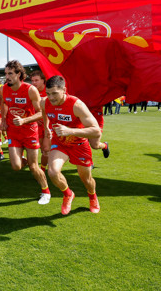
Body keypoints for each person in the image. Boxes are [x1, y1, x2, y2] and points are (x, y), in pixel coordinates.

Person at [41, 76, 102, 215]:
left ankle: (92, 196)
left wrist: (70, 131)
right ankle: (68, 194)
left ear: (64, 90)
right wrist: (46, 128)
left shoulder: (76, 105)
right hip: (60, 143)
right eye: (48, 93)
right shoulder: (44, 102)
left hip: (79, 145)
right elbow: (44, 112)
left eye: (54, 93)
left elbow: (96, 130)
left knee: (86, 179)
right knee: (53, 172)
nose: (51, 97)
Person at [0, 60, 51, 204]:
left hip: (29, 132)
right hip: (13, 131)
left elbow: (41, 113)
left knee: (34, 167)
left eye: (10, 73)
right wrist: (3, 119)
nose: (7, 76)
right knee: (16, 166)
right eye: (6, 74)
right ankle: (29, 161)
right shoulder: (4, 89)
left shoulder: (30, 90)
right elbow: (3, 103)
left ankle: (45, 191)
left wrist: (24, 120)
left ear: (19, 74)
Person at [30, 70, 49, 172]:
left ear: (43, 80)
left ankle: (43, 169)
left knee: (46, 149)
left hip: (49, 125)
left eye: (36, 80)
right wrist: (36, 119)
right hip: (37, 125)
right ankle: (43, 168)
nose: (34, 83)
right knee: (43, 150)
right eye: (32, 80)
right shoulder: (32, 91)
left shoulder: (49, 90)